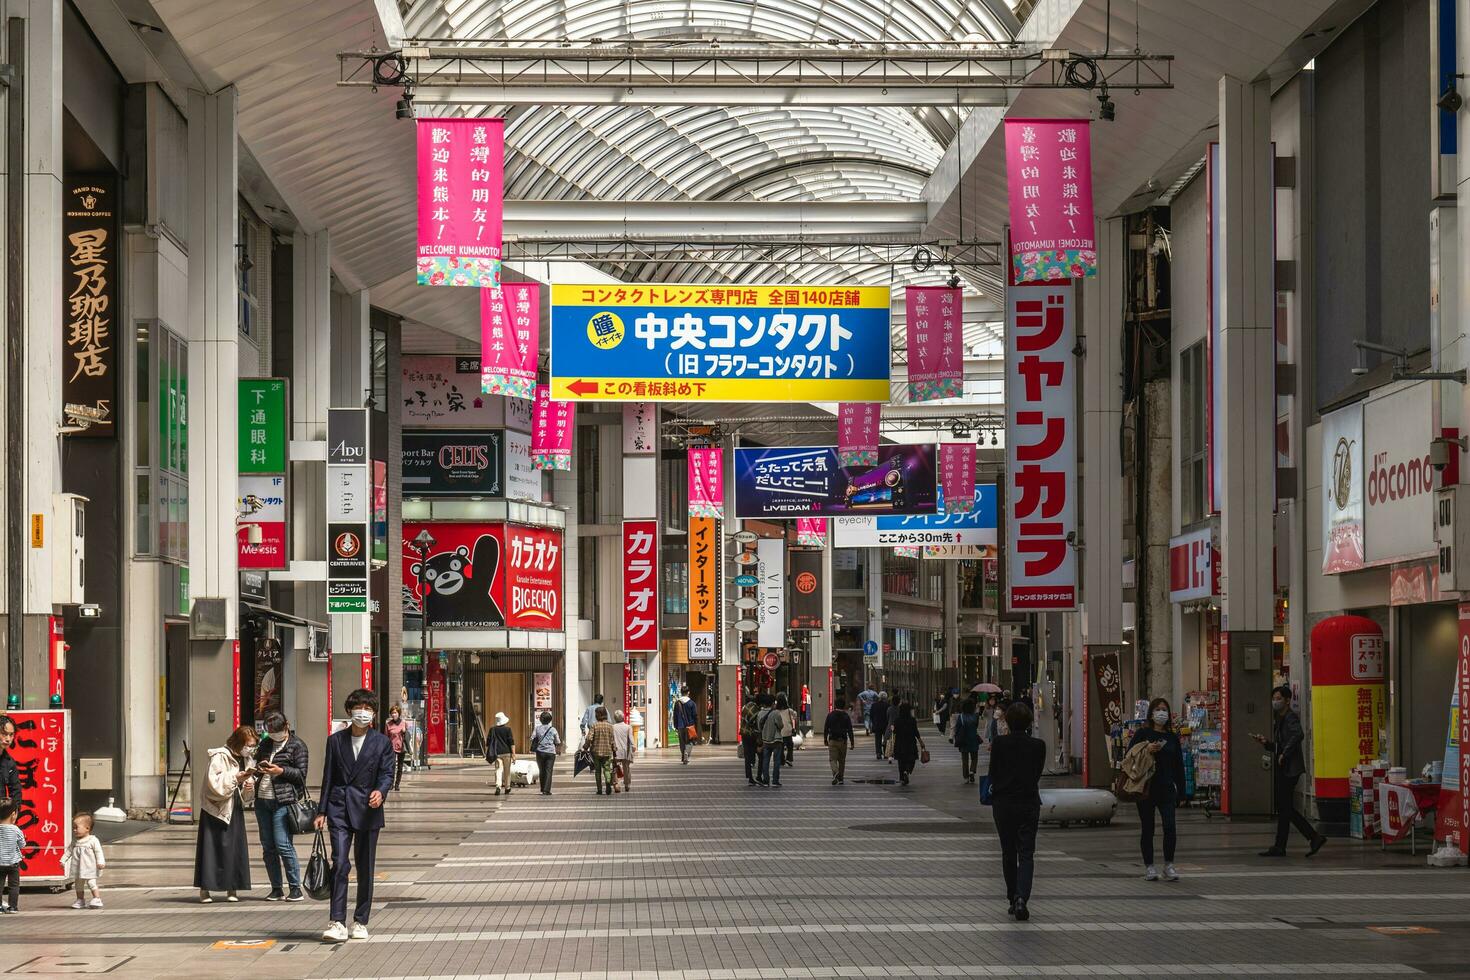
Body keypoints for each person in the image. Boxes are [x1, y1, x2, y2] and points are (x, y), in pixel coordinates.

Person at [315, 689, 395, 942]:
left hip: (368, 809)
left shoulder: (381, 742)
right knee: (340, 862)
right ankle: (336, 921)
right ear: (349, 711)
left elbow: (387, 774)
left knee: (365, 867)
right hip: (339, 807)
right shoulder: (335, 741)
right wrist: (322, 810)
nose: (363, 712)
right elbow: (328, 777)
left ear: (373, 713)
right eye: (359, 707)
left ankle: (360, 921)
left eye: (368, 708)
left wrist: (380, 792)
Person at [987, 700, 1046, 922]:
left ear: (1008, 722)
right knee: (1027, 852)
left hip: (1003, 803)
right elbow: (1037, 773)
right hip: (1029, 803)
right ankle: (1022, 898)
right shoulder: (1038, 746)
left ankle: (1013, 897)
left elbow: (993, 772)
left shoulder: (1000, 744)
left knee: (1008, 851)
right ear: (1029, 722)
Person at [1254, 685, 1328, 858]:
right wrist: (1266, 743)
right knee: (1284, 807)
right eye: (1274, 698)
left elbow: (1298, 735)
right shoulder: (1280, 718)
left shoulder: (1290, 718)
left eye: (1279, 698)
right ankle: (1300, 841)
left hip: (1290, 769)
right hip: (1285, 767)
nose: (1275, 701)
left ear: (1287, 700)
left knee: (1284, 807)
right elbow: (1281, 745)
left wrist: (1284, 753)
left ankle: (1308, 838)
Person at [1129, 697, 1187, 881]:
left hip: (1166, 788)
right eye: (1158, 709)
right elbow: (1130, 755)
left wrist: (1183, 791)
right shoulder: (1142, 734)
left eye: (1165, 710)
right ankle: (1149, 866)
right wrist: (1147, 749)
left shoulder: (1172, 738)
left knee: (1170, 827)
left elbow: (1178, 765)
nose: (1162, 713)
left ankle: (1169, 865)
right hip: (1145, 787)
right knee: (1148, 828)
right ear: (1151, 713)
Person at [196, 724, 256, 903]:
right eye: (248, 745)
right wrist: (236, 778)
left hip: (234, 807)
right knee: (211, 849)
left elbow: (247, 793)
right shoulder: (220, 756)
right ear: (238, 742)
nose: (250, 749)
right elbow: (212, 783)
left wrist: (248, 786)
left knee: (234, 849)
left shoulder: (247, 759)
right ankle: (205, 889)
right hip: (215, 808)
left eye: (253, 745)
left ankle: (233, 888)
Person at [254, 711, 309, 901]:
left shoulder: (297, 746)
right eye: (270, 731)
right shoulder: (265, 744)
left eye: (276, 730)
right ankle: (276, 888)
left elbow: (301, 775)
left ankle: (295, 888)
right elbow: (257, 765)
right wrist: (256, 772)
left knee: (283, 844)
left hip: (284, 802)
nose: (273, 734)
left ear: (286, 725)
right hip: (262, 800)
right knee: (268, 846)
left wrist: (281, 771)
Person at [61, 812, 105, 910]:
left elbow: (98, 852)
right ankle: (80, 900)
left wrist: (100, 862)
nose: (74, 830)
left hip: (90, 867)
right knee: (78, 885)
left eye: (77, 827)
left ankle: (97, 898)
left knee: (91, 883)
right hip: (78, 867)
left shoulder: (93, 840)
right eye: (73, 828)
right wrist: (63, 860)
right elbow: (69, 851)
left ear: (87, 828)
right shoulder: (75, 841)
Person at [758, 695, 791, 787]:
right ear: (773, 703)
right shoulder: (776, 713)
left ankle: (765, 780)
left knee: (765, 760)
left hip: (765, 740)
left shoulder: (760, 713)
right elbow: (780, 725)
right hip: (776, 740)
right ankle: (775, 780)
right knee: (776, 761)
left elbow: (759, 727)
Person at [890, 702, 926, 786]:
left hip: (900, 743)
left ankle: (902, 777)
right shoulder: (912, 720)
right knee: (911, 759)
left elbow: (895, 732)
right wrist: (921, 742)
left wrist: (893, 729)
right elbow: (916, 732)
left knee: (901, 761)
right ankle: (907, 771)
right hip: (910, 743)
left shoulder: (897, 720)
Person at [823, 696, 856, 785]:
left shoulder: (830, 715)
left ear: (835, 705)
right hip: (843, 741)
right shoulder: (846, 716)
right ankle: (840, 778)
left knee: (832, 759)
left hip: (833, 740)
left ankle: (835, 772)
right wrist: (852, 742)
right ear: (844, 706)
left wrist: (825, 739)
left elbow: (826, 728)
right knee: (842, 760)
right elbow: (850, 729)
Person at [0, 799, 23, 913]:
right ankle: (13, 907)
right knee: (13, 886)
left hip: (0, 863)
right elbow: (22, 844)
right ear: (13, 814)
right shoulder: (16, 829)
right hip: (13, 863)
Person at [951, 699, 982, 784]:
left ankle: (966, 777)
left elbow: (957, 728)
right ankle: (972, 770)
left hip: (964, 740)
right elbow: (976, 726)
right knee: (974, 757)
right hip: (973, 739)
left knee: (965, 760)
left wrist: (954, 737)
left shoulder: (961, 716)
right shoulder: (975, 716)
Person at [587, 707, 617, 795]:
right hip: (607, 752)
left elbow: (589, 738)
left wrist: (586, 746)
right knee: (607, 770)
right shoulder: (610, 726)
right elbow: (612, 740)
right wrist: (614, 751)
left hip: (596, 752)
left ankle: (599, 789)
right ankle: (608, 784)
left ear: (598, 715)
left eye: (596, 714)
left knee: (597, 771)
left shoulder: (594, 725)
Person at [531, 711, 561, 795]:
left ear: (541, 720)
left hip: (540, 752)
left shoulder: (537, 728)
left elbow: (532, 737)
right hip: (551, 752)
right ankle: (546, 790)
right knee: (549, 770)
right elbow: (557, 741)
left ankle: (542, 787)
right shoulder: (553, 729)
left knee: (542, 770)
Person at [486, 711, 516, 796]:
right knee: (507, 771)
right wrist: (513, 754)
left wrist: (488, 752)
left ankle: (498, 786)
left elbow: (488, 743)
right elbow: (511, 742)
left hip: (497, 753)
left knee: (498, 770)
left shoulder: (492, 729)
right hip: (507, 753)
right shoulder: (508, 730)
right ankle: (507, 787)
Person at [740, 696, 764, 786]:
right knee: (761, 755)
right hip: (751, 735)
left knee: (747, 757)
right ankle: (759, 776)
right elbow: (754, 725)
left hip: (744, 733)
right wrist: (759, 740)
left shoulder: (745, 707)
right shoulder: (755, 711)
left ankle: (750, 777)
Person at [385, 706, 409, 791]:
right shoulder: (388, 724)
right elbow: (386, 737)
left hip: (401, 748)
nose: (394, 714)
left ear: (399, 713)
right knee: (391, 767)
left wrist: (404, 731)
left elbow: (407, 736)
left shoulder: (403, 723)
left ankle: (397, 784)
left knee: (400, 766)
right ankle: (391, 784)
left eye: (395, 713)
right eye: (392, 713)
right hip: (391, 748)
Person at [612, 709, 637, 793]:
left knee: (615, 768)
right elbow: (631, 738)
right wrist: (633, 746)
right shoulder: (628, 727)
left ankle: (616, 785)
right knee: (626, 769)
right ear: (623, 718)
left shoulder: (613, 727)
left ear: (615, 718)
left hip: (616, 751)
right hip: (625, 751)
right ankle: (627, 785)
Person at [870, 692, 891, 760]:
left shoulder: (874, 705)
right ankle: (885, 753)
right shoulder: (888, 705)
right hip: (886, 725)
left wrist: (873, 723)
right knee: (886, 739)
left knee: (878, 740)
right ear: (886, 698)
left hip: (877, 725)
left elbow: (871, 715)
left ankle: (878, 753)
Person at [782, 694, 800, 767]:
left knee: (780, 747)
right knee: (790, 746)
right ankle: (789, 759)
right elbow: (795, 715)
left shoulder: (776, 711)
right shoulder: (789, 710)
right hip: (788, 731)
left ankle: (781, 760)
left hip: (780, 731)